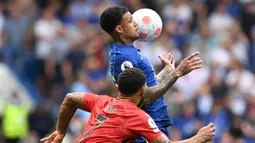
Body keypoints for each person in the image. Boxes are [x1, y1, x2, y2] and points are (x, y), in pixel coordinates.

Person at [100, 5, 202, 142]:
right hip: (144, 128)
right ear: (119, 29)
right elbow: (144, 97)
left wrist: (167, 73)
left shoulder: (129, 51)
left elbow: (145, 87)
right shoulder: (124, 57)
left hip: (152, 123)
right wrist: (177, 73)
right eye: (131, 21)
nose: (136, 24)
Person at [40, 68, 215, 143]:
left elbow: (70, 98)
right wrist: (198, 138)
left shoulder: (102, 101)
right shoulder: (138, 117)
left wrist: (61, 130)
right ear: (142, 91)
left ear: (118, 88)